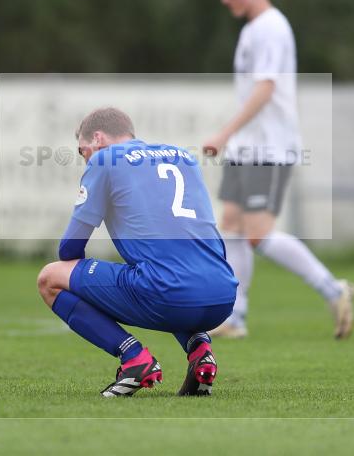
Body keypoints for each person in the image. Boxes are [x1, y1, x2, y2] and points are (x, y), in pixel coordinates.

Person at [203, 0, 354, 340]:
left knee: (257, 233)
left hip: (268, 146)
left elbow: (266, 88)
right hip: (247, 146)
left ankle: (332, 288)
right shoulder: (253, 29)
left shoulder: (271, 26)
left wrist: (224, 132)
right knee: (233, 227)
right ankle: (235, 317)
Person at [36, 107, 238, 397]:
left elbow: (69, 248)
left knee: (50, 278)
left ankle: (134, 359)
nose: (85, 160)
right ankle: (199, 351)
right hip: (223, 295)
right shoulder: (183, 156)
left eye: (83, 152)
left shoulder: (105, 159)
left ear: (98, 138)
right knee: (164, 271)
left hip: (170, 292)